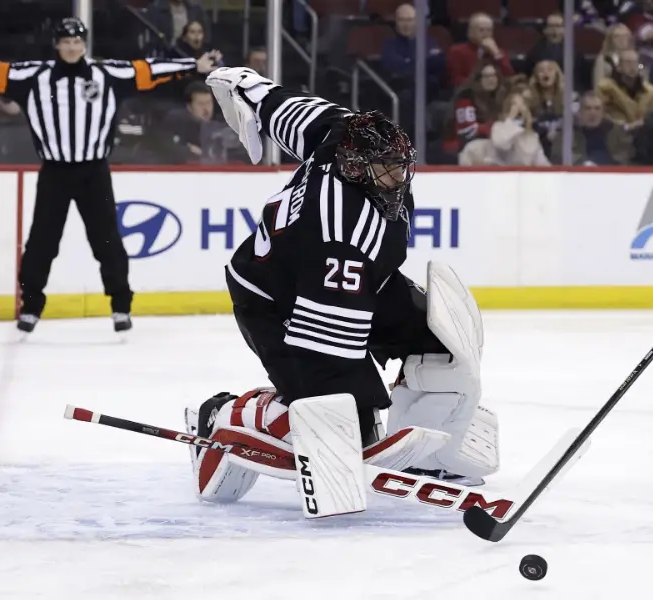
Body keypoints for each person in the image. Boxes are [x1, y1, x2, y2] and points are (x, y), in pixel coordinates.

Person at [184, 67, 499, 510]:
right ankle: (229, 415)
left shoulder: (342, 132)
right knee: (339, 410)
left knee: (440, 347)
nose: (398, 179)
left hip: (354, 277)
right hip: (277, 299)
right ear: (356, 170)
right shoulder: (343, 231)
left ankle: (431, 455)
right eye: (386, 171)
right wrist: (347, 415)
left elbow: (285, 107)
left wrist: (248, 89)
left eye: (400, 166)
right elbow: (326, 354)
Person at [0, 18, 221, 333]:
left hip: (94, 171)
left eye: (77, 42)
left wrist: (193, 64)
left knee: (106, 240)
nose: (72, 47)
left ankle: (120, 306)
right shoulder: (34, 77)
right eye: (66, 42)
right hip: (55, 172)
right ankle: (31, 307)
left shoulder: (107, 75)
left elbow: (150, 69)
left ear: (84, 44)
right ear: (57, 45)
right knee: (42, 242)